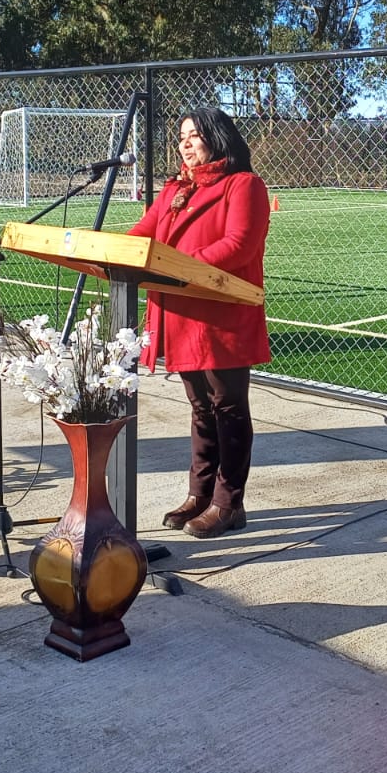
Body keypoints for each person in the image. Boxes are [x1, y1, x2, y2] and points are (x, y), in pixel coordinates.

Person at [127, 106, 270, 538]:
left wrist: (176, 268)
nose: (185, 144)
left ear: (216, 137)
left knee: (227, 408)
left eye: (194, 136)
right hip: (183, 315)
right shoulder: (174, 190)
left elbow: (239, 245)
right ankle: (199, 494)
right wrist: (107, 250)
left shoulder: (243, 185)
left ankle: (230, 503)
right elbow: (143, 233)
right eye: (181, 137)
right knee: (200, 409)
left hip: (221, 316)